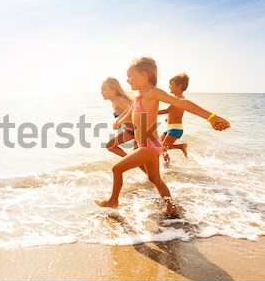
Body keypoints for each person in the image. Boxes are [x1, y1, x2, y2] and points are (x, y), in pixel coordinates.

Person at [95, 57, 230, 217]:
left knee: (116, 169)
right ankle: (171, 207)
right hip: (149, 145)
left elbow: (182, 103)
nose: (127, 80)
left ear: (144, 74)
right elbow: (131, 112)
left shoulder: (153, 93)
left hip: (149, 146)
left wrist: (211, 117)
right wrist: (119, 122)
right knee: (154, 179)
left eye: (130, 75)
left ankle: (113, 201)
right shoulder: (141, 96)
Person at [158, 73, 189, 164]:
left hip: (176, 129)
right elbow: (175, 112)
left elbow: (168, 110)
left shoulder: (180, 99)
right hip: (171, 127)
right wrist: (168, 119)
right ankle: (180, 146)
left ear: (180, 86)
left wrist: (152, 113)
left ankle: (167, 166)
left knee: (163, 148)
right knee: (159, 146)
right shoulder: (176, 98)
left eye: (171, 85)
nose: (169, 86)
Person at [100, 77, 134, 157]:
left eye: (104, 90)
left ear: (113, 90)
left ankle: (129, 161)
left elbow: (131, 109)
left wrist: (118, 121)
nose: (101, 93)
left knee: (138, 157)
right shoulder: (115, 101)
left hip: (138, 130)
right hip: (130, 131)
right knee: (110, 145)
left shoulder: (117, 100)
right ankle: (129, 161)